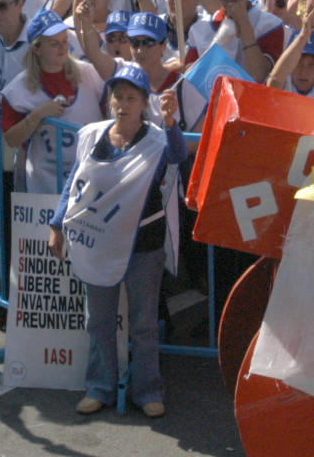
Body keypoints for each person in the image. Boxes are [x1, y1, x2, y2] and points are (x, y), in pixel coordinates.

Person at [49, 64, 187, 418]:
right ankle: (99, 387)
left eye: (131, 98)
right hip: (98, 242)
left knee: (142, 322)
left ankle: (147, 390)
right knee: (99, 319)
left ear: (144, 103)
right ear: (109, 101)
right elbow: (74, 186)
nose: (123, 104)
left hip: (144, 244)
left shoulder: (158, 139)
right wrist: (57, 225)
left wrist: (171, 123)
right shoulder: (92, 135)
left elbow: (177, 157)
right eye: (118, 97)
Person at [1, 9, 106, 195]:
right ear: (36, 48)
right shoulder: (19, 88)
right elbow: (11, 138)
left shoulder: (88, 73)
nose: (63, 48)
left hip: (87, 181)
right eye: (54, 44)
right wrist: (39, 114)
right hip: (43, 187)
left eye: (65, 41)